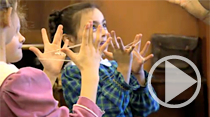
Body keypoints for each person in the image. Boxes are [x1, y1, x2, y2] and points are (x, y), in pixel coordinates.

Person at [49, 2, 159, 117]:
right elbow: (107, 111)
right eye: (94, 27)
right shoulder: (73, 72)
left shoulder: (114, 65)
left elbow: (148, 108)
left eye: (104, 25)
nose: (105, 33)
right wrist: (124, 69)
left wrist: (138, 74)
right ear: (69, 40)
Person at [0, 0, 108, 116]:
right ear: (7, 17)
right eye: (17, 30)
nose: (23, 38)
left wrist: (49, 74)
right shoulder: (14, 83)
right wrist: (90, 73)